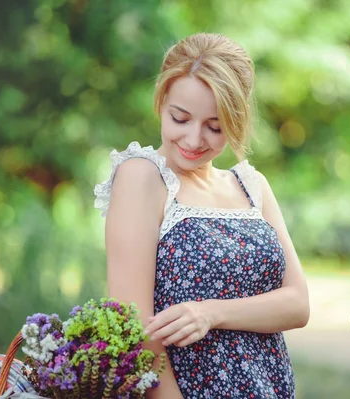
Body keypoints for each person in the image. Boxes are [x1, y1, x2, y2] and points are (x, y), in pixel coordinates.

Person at [94, 32, 310, 399]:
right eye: (180, 118)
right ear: (161, 101)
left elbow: (297, 304)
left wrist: (211, 313)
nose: (194, 140)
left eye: (215, 126)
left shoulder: (250, 185)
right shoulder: (142, 176)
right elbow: (135, 334)